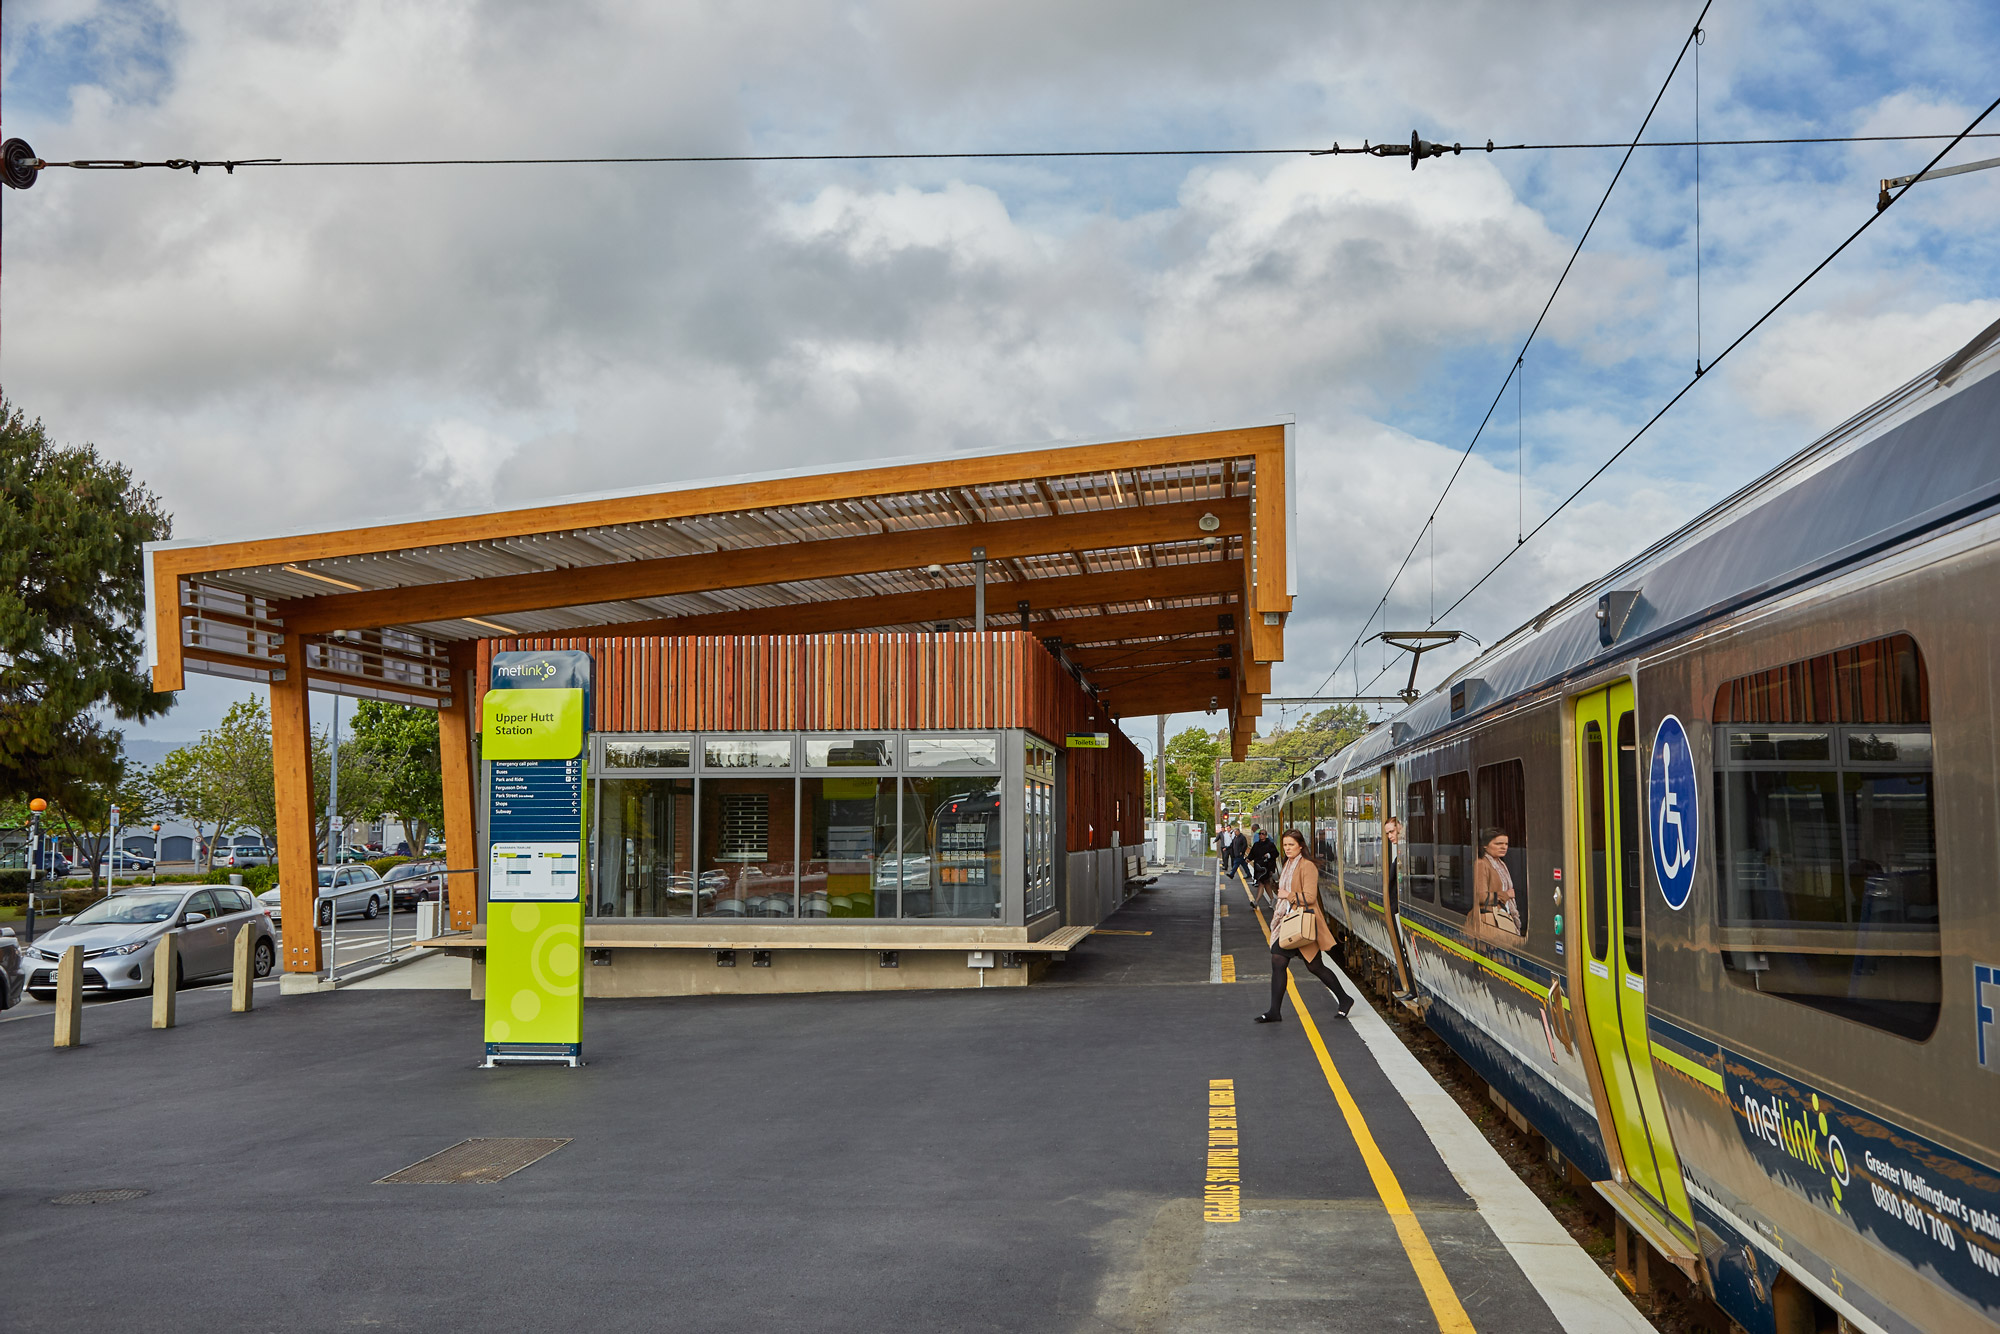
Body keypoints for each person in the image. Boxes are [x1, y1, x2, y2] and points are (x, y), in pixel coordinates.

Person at [1256, 829, 1354, 1023]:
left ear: (1301, 846)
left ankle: (1345, 998)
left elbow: (1309, 897)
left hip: (1303, 923)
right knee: (1278, 961)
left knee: (1315, 966)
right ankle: (1274, 1011)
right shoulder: (1288, 863)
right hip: (1289, 920)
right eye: (1285, 845)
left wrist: (1286, 895)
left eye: (1291, 845)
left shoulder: (1307, 866)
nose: (1287, 849)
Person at [1473, 827, 1522, 936]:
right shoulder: (1482, 864)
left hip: (1503, 915)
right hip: (1492, 919)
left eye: (1506, 844)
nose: (1503, 847)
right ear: (1485, 845)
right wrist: (1506, 895)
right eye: (1498, 844)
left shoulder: (1501, 864)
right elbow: (1481, 897)